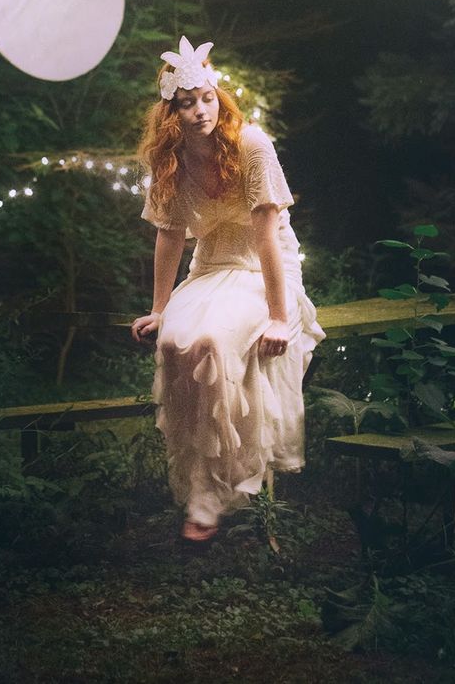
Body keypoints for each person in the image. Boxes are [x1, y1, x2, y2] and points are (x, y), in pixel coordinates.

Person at [131, 36, 326, 543]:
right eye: (187, 102)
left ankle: (212, 495)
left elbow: (267, 237)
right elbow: (170, 236)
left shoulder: (252, 146)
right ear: (172, 113)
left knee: (215, 343)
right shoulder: (169, 161)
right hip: (211, 265)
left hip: (265, 269)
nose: (200, 111)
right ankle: (203, 478)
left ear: (220, 97)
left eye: (207, 98)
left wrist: (281, 318)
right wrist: (158, 309)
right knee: (177, 342)